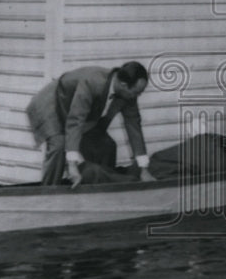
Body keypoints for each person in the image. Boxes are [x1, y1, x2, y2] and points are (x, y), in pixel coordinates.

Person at [26, 61, 154, 187]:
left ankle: (100, 188)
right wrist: (72, 165)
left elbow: (134, 128)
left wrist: (143, 169)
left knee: (106, 145)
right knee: (59, 146)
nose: (139, 95)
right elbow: (75, 121)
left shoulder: (128, 94)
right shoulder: (92, 83)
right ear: (123, 85)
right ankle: (49, 193)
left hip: (75, 111)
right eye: (137, 92)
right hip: (52, 104)